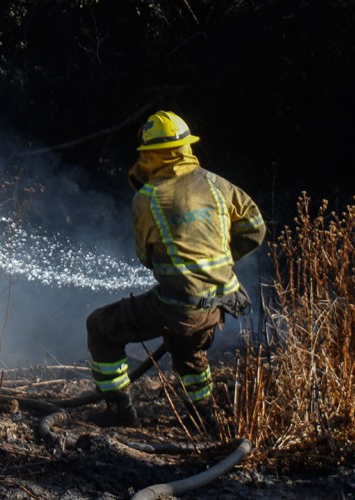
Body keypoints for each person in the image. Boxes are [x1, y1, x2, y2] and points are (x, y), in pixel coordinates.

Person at [86, 110, 266, 435]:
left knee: (101, 326)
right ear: (186, 147)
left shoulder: (149, 197)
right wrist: (219, 259)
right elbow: (255, 227)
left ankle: (120, 411)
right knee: (188, 354)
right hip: (221, 302)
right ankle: (205, 422)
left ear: (150, 154)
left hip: (179, 306)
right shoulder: (216, 184)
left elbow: (145, 257)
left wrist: (185, 263)